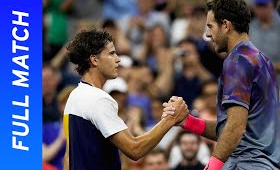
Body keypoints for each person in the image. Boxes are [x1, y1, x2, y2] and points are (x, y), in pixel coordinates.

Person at [163, 0, 280, 169]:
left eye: (210, 26)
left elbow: (235, 127)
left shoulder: (236, 61)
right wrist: (188, 121)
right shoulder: (262, 59)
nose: (208, 34)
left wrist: (212, 166)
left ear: (225, 25)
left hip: (244, 165)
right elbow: (231, 129)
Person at [62, 29, 188, 170]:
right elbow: (134, 149)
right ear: (94, 60)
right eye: (111, 54)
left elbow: (68, 158)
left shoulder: (75, 95)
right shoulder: (98, 99)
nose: (118, 59)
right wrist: (170, 119)